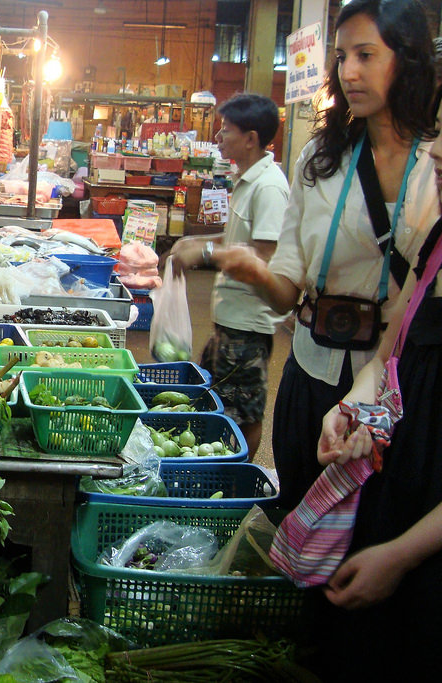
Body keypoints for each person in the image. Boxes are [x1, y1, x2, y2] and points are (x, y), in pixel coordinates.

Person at [217, 0, 439, 510]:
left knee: (380, 522)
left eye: (366, 54)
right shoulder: (320, 159)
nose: (350, 72)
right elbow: (287, 285)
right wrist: (249, 267)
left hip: (397, 384)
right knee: (301, 510)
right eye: (341, 57)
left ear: (406, 60)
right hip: (313, 369)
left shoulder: (435, 162)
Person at [306, 102, 442, 679]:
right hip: (398, 502)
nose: (434, 156)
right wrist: (354, 403)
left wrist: (404, 553)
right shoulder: (436, 242)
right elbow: (387, 355)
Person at [164, 94, 289, 457]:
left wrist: (204, 253)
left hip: (249, 324)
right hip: (229, 319)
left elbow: (264, 257)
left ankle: (238, 477)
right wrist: (193, 241)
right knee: (217, 400)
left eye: (226, 129)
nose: (218, 136)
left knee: (242, 414)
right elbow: (234, 240)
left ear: (251, 138)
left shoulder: (269, 187)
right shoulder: (247, 179)